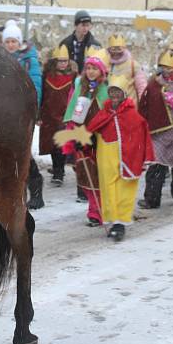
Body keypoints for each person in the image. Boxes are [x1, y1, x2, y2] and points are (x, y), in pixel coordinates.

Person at [0, 20, 44, 211]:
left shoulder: (29, 60)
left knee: (21, 154)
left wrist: (31, 109)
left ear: (19, 42)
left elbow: (35, 85)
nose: (11, 44)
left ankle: (36, 190)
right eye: (8, 41)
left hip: (20, 113)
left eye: (14, 41)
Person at [85, 75, 154, 241]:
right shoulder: (104, 113)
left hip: (128, 157)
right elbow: (93, 130)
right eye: (112, 91)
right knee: (108, 187)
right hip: (106, 154)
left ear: (124, 94)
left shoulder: (133, 116)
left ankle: (120, 222)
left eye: (118, 91)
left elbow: (142, 135)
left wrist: (144, 156)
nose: (114, 95)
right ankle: (112, 219)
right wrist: (85, 141)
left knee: (125, 187)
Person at [61, 48, 110, 225]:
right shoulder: (79, 86)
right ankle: (94, 210)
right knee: (86, 173)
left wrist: (98, 135)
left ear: (101, 71)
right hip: (83, 138)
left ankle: (101, 210)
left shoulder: (105, 90)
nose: (90, 72)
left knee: (101, 176)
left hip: (100, 140)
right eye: (88, 68)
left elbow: (108, 116)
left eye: (94, 69)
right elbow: (73, 112)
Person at [137, 50, 173, 209]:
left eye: (171, 67)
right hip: (159, 131)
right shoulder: (154, 82)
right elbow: (146, 102)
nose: (167, 70)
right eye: (165, 67)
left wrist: (164, 93)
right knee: (156, 165)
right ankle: (152, 199)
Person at [39, 45, 78, 187]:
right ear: (54, 61)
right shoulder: (46, 76)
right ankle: (56, 168)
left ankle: (59, 172)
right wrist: (39, 113)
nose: (63, 63)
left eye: (65, 61)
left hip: (65, 115)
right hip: (49, 114)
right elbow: (42, 94)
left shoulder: (73, 76)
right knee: (52, 144)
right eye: (60, 61)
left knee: (62, 144)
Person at [106, 34, 147, 104]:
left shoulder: (133, 65)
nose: (116, 52)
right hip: (111, 105)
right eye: (113, 49)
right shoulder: (105, 63)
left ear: (124, 49)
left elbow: (141, 86)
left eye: (119, 49)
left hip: (129, 106)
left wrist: (143, 102)